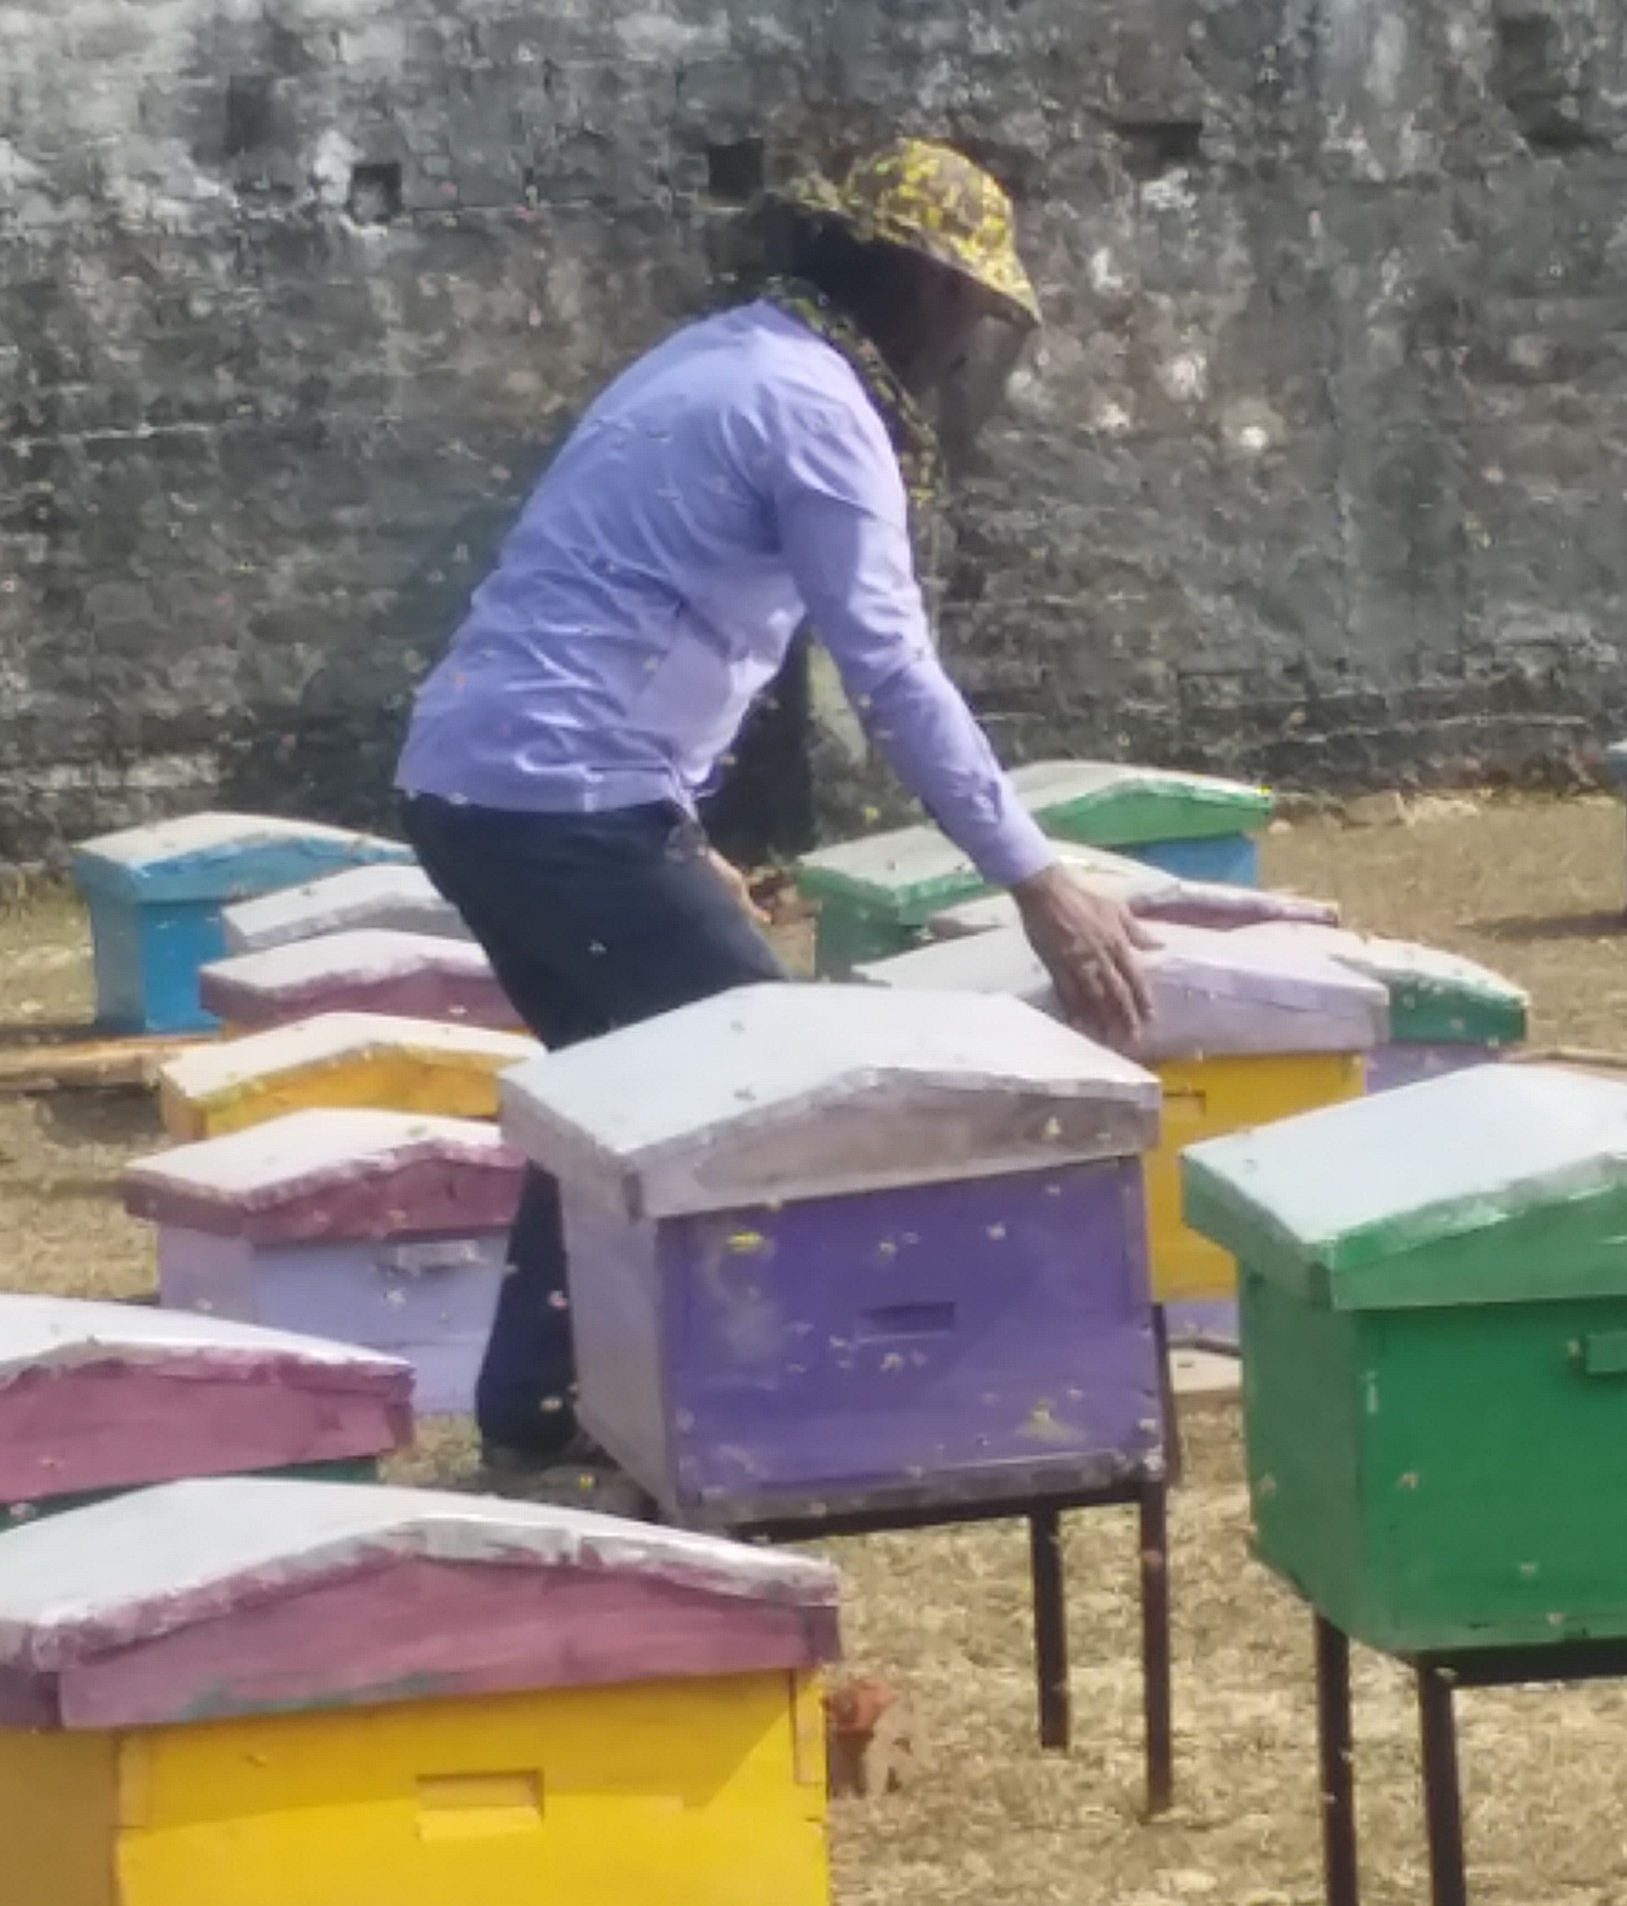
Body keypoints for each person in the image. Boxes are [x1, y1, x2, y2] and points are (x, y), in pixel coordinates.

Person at [393, 137, 1159, 1500]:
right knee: (770, 1085)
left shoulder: (717, 356)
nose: (967, 345)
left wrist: (674, 829)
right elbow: (890, 671)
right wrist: (1036, 877)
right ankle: (767, 1412)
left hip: (491, 782)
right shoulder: (813, 406)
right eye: (970, 312)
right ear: (921, 286)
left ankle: (532, 1412)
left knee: (616, 1084)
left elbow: (628, 601)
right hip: (564, 795)